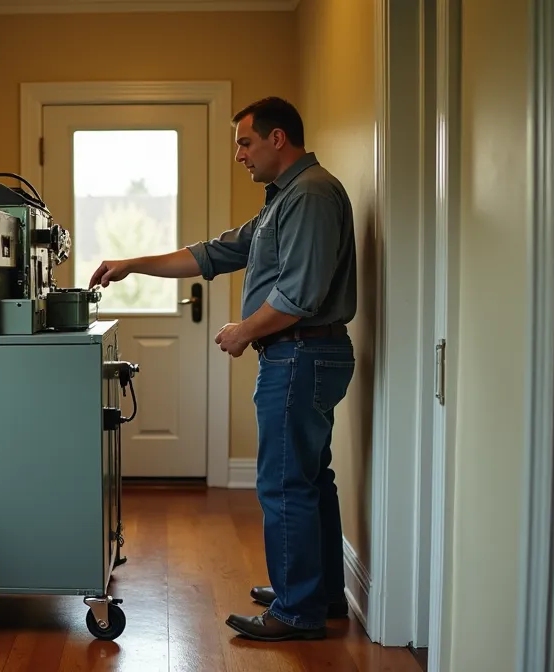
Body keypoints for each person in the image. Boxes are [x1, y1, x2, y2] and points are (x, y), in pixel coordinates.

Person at [88, 96, 357, 642]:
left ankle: (297, 611)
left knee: (283, 484)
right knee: (309, 479)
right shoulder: (284, 200)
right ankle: (319, 592)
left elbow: (299, 295)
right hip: (304, 353)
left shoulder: (309, 194)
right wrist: (132, 263)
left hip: (300, 351)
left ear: (277, 138)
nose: (240, 155)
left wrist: (243, 331)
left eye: (244, 142)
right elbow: (216, 253)